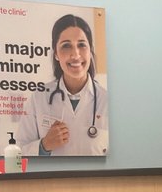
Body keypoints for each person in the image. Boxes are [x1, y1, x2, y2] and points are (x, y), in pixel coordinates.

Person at [16, 14, 108, 156]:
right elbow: (18, 153)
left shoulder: (107, 101)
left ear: (90, 50)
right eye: (66, 46)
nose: (75, 55)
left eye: (82, 45)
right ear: (56, 54)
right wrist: (44, 146)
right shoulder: (38, 98)